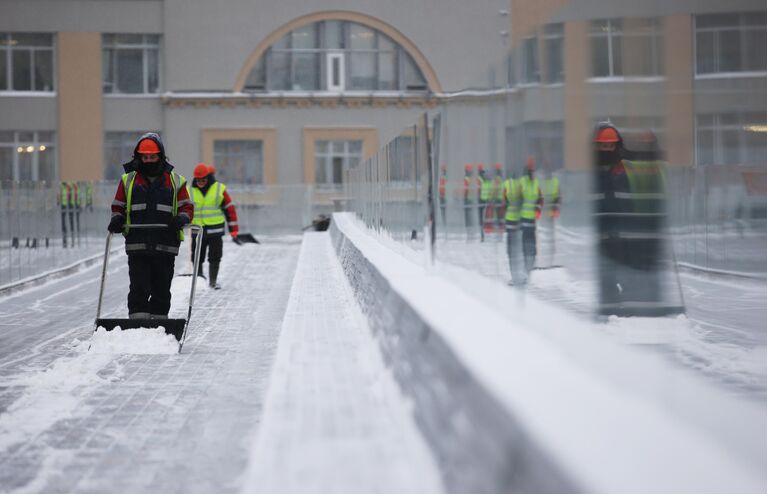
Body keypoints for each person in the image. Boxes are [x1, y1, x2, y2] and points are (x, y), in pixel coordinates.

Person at [108, 133, 193, 319]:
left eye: (152, 157)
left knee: (162, 286)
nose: (148, 161)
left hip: (166, 243)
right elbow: (118, 206)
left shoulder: (175, 181)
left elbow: (186, 206)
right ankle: (137, 324)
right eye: (145, 157)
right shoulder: (128, 180)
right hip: (137, 244)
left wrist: (181, 218)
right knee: (139, 286)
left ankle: (159, 325)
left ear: (160, 156)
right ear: (138, 157)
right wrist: (117, 219)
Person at [592, 123, 672, 317]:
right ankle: (611, 304)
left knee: (625, 267)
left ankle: (626, 302)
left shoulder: (625, 166)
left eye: (610, 146)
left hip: (625, 225)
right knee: (607, 271)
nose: (607, 150)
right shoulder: (594, 170)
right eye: (603, 146)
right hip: (604, 226)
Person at [190, 163, 239, 289]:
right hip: (198, 230)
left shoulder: (219, 189)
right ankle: (199, 279)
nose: (200, 182)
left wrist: (234, 231)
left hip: (215, 230)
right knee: (196, 256)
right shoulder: (190, 191)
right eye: (198, 180)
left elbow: (230, 210)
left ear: (208, 178)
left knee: (215, 256)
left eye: (203, 180)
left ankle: (213, 281)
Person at [518, 157, 543, 278]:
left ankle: (532, 264)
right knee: (526, 241)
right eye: (531, 171)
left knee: (531, 241)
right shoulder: (522, 182)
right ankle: (526, 264)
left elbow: (540, 198)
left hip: (532, 219)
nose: (533, 173)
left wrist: (538, 209)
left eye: (534, 171)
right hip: (523, 218)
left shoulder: (536, 182)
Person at [503, 171, 522, 285]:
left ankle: (514, 276)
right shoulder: (522, 184)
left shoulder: (507, 184)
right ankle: (521, 275)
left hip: (510, 219)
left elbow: (503, 201)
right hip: (521, 219)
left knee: (511, 251)